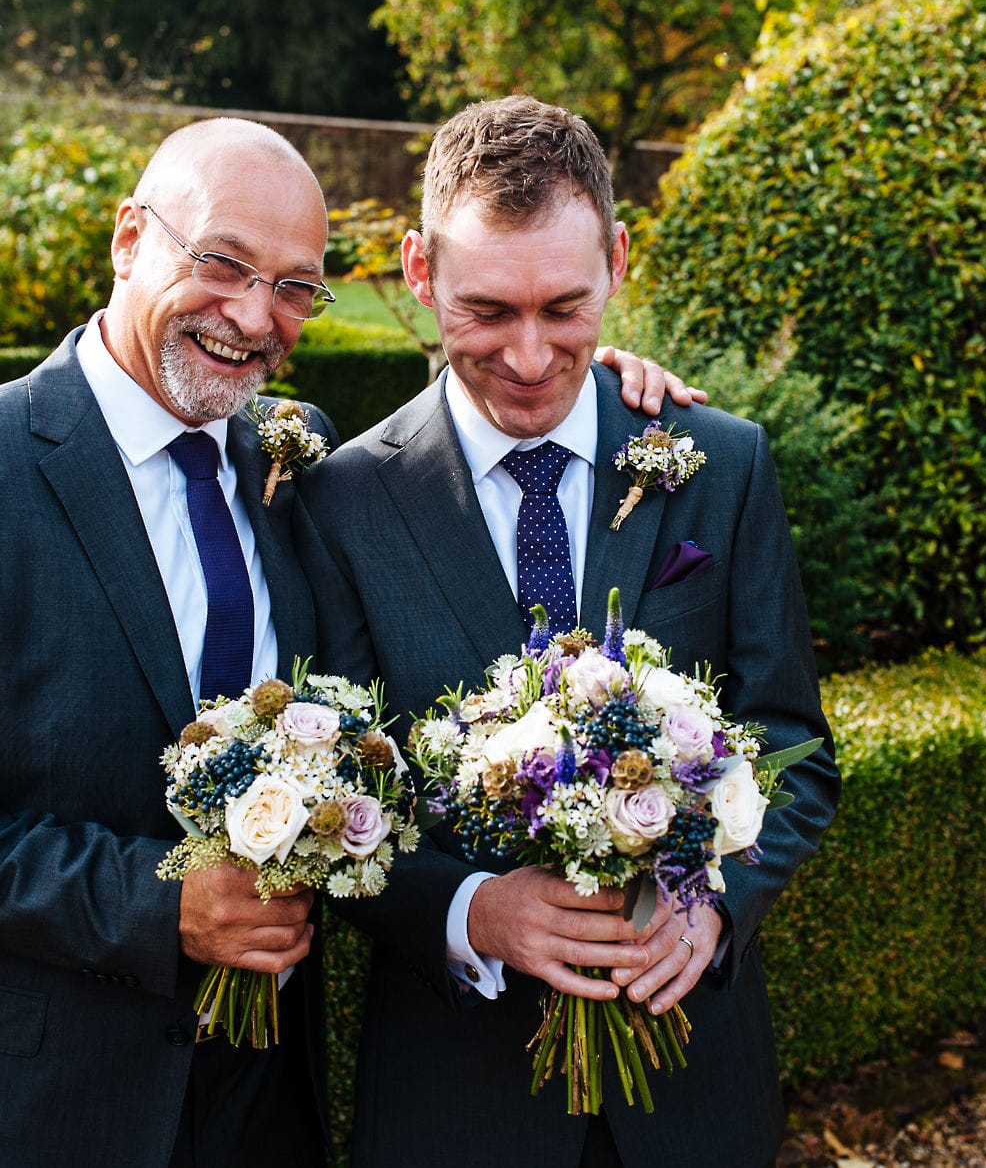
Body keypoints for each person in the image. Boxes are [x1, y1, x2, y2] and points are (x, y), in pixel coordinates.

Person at [0, 116, 693, 1167]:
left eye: (293, 287)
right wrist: (157, 905)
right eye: (221, 264)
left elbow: (490, 400)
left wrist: (592, 371)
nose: (251, 315)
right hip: (22, 1103)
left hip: (259, 1103)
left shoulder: (289, 458)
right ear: (129, 238)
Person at [295, 96, 842, 1168]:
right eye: (486, 310)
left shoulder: (720, 466)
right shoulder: (339, 501)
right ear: (417, 272)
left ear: (618, 260)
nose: (533, 356)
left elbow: (796, 747)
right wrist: (466, 910)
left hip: (695, 1089)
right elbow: (335, 798)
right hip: (453, 1101)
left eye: (564, 306)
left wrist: (715, 907)